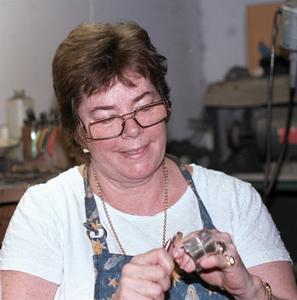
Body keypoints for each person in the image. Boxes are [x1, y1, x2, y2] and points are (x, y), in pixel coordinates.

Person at [0, 21, 296, 300]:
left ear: (165, 104)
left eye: (145, 107)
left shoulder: (234, 200)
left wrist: (251, 290)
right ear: (79, 135)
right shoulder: (46, 212)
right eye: (106, 118)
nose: (133, 130)